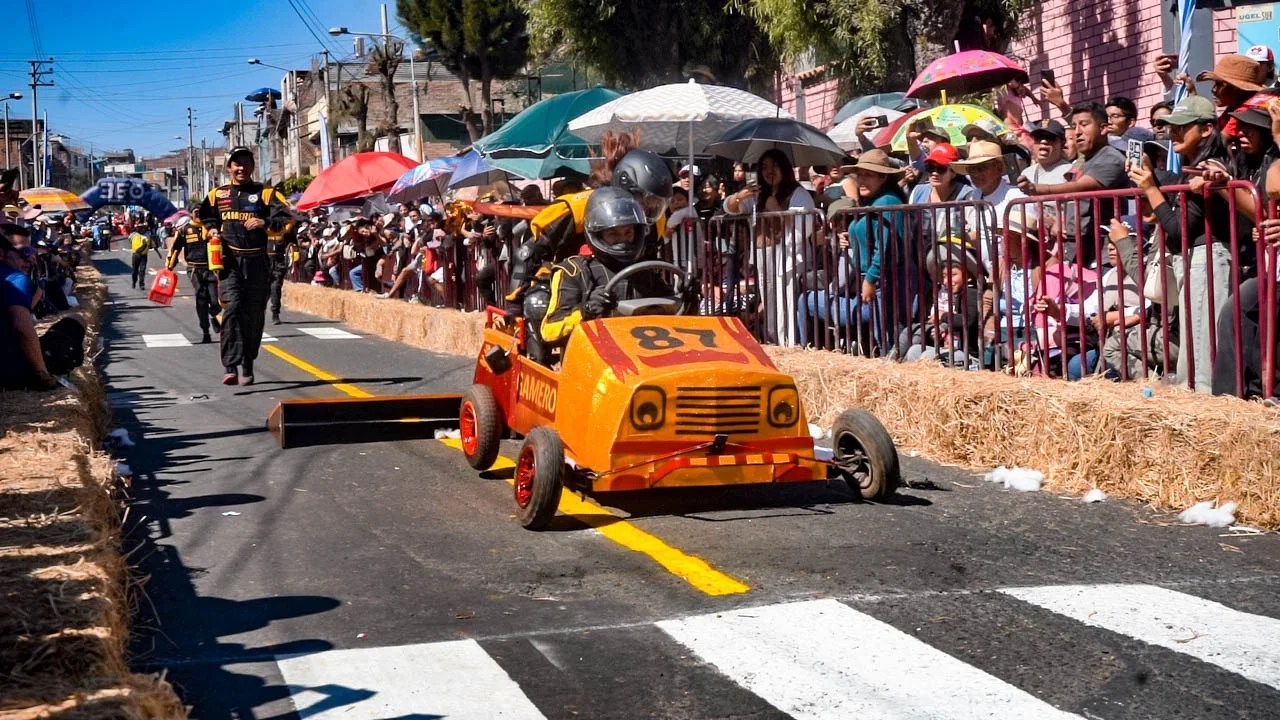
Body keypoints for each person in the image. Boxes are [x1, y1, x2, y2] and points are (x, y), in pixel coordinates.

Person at [1131, 95, 1231, 393]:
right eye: (1171, 127)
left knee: (1201, 352)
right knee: (1193, 346)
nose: (1173, 133)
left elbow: (1178, 230)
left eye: (1182, 127)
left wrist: (1150, 188)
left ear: (1206, 129)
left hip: (1210, 256)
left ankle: (1203, 411)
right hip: (1199, 257)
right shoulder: (1193, 166)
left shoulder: (1211, 167)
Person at [195, 146, 294, 386]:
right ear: (229, 167)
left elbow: (289, 219)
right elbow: (201, 216)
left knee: (253, 316)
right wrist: (211, 229)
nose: (241, 168)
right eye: (236, 163)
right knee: (232, 309)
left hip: (259, 262)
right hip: (229, 264)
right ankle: (230, 365)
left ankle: (248, 361)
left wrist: (265, 222)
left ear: (252, 166)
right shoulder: (217, 195)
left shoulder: (266, 193)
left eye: (246, 163)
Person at [540, 187, 685, 348]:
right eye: (613, 234)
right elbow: (549, 331)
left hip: (646, 357)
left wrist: (688, 298)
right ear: (597, 234)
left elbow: (675, 320)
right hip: (595, 360)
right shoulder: (573, 271)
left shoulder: (644, 269)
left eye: (628, 232)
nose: (623, 240)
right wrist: (586, 311)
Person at [723, 148, 817, 345]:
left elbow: (804, 227)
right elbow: (730, 208)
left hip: (789, 259)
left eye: (774, 165)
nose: (769, 171)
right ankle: (774, 343)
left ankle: (790, 346)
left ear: (784, 168)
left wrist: (777, 210)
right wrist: (739, 196)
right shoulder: (757, 194)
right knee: (771, 306)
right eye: (764, 167)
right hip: (764, 258)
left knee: (787, 305)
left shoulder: (798, 193)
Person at [1018, 103, 1128, 268]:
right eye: (1074, 126)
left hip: (1104, 253)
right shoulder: (1085, 161)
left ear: (1104, 128)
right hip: (1077, 249)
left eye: (1084, 125)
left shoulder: (1111, 158)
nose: (1077, 132)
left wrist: (1038, 189)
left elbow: (1081, 187)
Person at [0, 231, 57, 390]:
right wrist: (42, 374)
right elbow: (22, 327)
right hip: (11, 372)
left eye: (32, 251)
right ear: (2, 253)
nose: (30, 258)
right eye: (24, 252)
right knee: (74, 321)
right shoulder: (14, 277)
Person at [167, 213, 220, 343]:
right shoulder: (185, 230)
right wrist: (169, 267)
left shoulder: (212, 229)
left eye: (200, 211)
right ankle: (205, 331)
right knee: (201, 296)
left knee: (215, 301)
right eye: (196, 211)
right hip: (194, 269)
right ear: (192, 214)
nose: (198, 213)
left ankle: (213, 315)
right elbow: (176, 249)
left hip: (211, 269)